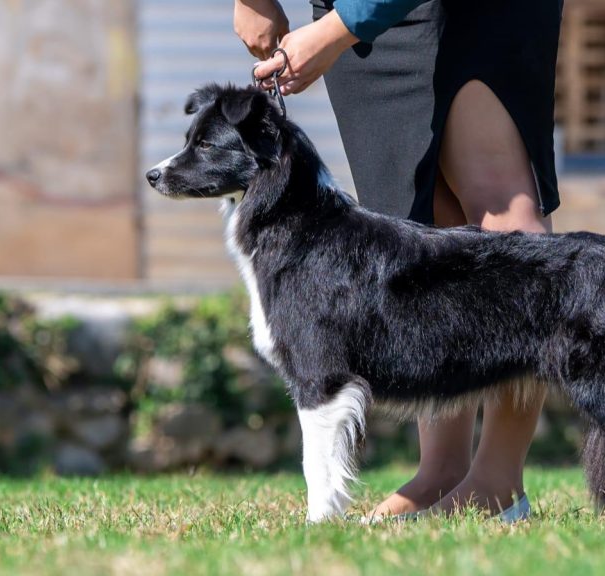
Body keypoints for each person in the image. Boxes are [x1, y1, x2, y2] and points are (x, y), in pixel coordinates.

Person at [233, 0, 563, 518]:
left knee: (502, 211)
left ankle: (498, 480)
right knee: (417, 226)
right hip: (365, 26)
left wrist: (339, 29)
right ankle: (442, 471)